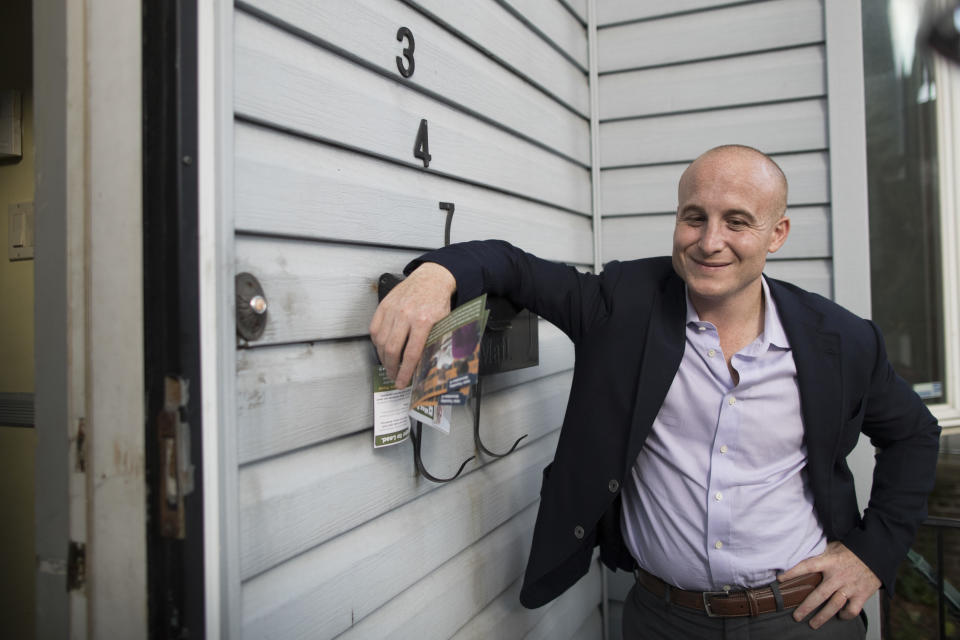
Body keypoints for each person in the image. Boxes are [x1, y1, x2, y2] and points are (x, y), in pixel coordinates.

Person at [369, 145, 941, 638]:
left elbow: (915, 434)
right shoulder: (623, 303)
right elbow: (512, 267)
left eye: (737, 221)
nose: (710, 241)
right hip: (663, 620)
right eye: (694, 217)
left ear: (777, 234)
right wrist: (434, 277)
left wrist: (873, 553)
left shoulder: (839, 338)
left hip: (800, 620)